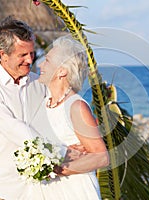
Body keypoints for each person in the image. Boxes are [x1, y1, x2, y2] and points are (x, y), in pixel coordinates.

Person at [0, 16, 83, 200]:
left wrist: (83, 134)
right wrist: (62, 151)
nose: (29, 60)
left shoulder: (39, 83)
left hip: (42, 188)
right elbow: (12, 128)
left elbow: (57, 115)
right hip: (5, 190)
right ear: (3, 54)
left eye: (32, 53)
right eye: (22, 55)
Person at [36, 35, 109, 199]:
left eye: (47, 61)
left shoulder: (76, 106)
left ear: (62, 71)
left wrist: (56, 169)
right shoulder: (44, 103)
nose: (40, 65)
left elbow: (101, 157)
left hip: (76, 191)